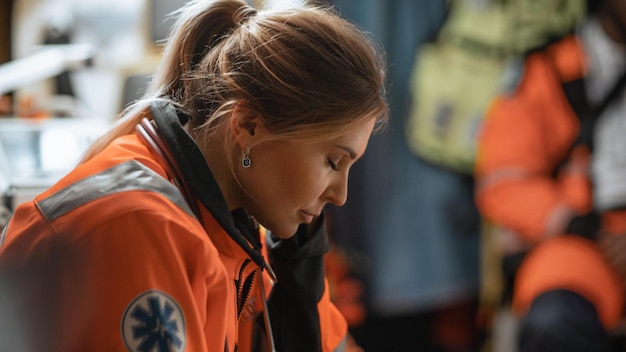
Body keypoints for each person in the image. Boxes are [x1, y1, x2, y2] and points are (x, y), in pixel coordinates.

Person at [0, 0, 389, 351]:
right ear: (249, 125)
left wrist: (298, 295)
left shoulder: (236, 226)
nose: (340, 196)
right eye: (333, 163)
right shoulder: (139, 226)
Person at [474, 0, 626, 350]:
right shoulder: (547, 68)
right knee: (555, 322)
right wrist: (576, 223)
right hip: (585, 243)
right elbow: (503, 181)